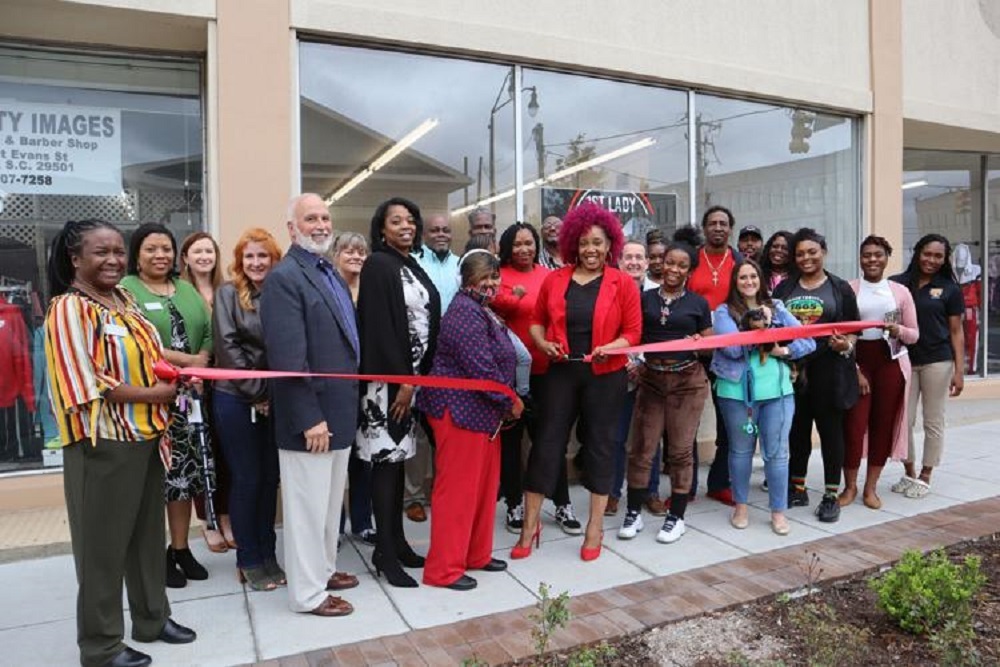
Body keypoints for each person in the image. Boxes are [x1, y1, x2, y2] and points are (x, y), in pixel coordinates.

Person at [45, 219, 195, 667]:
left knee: (147, 538)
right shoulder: (70, 309)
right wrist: (157, 393)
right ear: (75, 259)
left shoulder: (122, 300)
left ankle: (151, 617)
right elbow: (85, 382)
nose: (113, 260)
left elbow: (149, 355)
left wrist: (190, 368)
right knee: (102, 550)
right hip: (103, 444)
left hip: (147, 437)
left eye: (117, 252)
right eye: (100, 252)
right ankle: (100, 645)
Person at [512, 202, 641, 562]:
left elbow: (633, 333)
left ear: (609, 244)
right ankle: (529, 527)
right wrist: (541, 342)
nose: (591, 249)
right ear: (572, 244)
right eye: (584, 242)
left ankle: (594, 529)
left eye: (598, 242)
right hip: (559, 373)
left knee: (601, 447)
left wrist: (609, 347)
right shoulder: (555, 279)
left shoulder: (622, 283)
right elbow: (536, 321)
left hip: (605, 376)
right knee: (546, 446)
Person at [260, 193, 360, 617]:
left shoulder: (327, 271)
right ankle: (308, 594)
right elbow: (287, 359)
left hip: (339, 411)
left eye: (325, 217)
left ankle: (323, 569)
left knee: (328, 504)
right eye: (310, 218)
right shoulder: (285, 278)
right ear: (292, 228)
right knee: (306, 509)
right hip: (312, 419)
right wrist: (309, 418)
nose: (320, 224)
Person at [417, 250, 522, 590]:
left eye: (494, 278)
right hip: (458, 413)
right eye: (483, 278)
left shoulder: (482, 310)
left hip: (482, 416)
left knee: (483, 489)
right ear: (467, 281)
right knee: (457, 494)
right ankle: (443, 570)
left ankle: (476, 554)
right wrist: (510, 400)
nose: (490, 284)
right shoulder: (464, 312)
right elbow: (480, 368)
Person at [120, 223, 213, 589]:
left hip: (189, 399)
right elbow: (138, 342)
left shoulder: (186, 288)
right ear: (137, 255)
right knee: (155, 482)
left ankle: (181, 548)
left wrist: (202, 362)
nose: (160, 255)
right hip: (150, 400)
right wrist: (190, 361)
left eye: (166, 248)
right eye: (150, 249)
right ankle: (154, 553)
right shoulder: (126, 291)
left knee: (185, 478)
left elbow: (208, 330)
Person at [356, 196, 442, 588]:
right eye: (396, 221)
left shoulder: (409, 264)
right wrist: (402, 382)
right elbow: (379, 328)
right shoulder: (378, 264)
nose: (405, 226)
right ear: (382, 229)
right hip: (387, 387)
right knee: (386, 466)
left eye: (410, 219)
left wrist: (417, 378)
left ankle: (397, 543)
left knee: (399, 462)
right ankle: (385, 555)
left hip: (410, 383)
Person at [618, 229, 712, 544]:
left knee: (681, 452)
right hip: (652, 380)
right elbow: (631, 334)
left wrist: (700, 342)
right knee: (642, 449)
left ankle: (677, 517)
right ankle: (633, 513)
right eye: (669, 263)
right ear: (660, 264)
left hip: (687, 382)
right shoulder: (643, 298)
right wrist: (633, 360)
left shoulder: (699, 304)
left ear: (689, 270)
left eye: (681, 265)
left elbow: (711, 345)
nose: (673, 269)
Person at [712, 259, 815, 535]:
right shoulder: (723, 312)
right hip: (736, 394)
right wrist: (766, 332)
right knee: (741, 451)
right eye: (742, 277)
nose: (748, 282)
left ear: (761, 279)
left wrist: (782, 351)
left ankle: (778, 512)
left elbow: (808, 341)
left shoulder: (778, 308)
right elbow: (733, 349)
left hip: (778, 394)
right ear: (735, 281)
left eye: (753, 276)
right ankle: (741, 506)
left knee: (777, 454)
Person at [491, 223, 582, 535]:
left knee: (549, 440)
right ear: (506, 247)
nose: (523, 249)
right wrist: (511, 299)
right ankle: (514, 504)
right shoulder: (496, 275)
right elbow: (492, 309)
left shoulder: (549, 275)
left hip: (548, 371)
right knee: (512, 443)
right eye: (516, 244)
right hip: (508, 375)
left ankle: (561, 503)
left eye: (529, 243)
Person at [212, 227, 284, 591]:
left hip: (275, 400)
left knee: (270, 480)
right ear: (240, 262)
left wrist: (274, 396)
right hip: (236, 399)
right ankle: (249, 559)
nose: (256, 263)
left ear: (275, 260)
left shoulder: (282, 294)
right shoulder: (228, 294)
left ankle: (269, 554)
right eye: (249, 257)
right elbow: (228, 348)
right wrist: (259, 394)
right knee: (247, 479)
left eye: (263, 256)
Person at [773, 228, 860, 523]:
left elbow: (853, 329)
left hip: (830, 371)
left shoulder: (840, 288)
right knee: (797, 431)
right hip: (793, 371)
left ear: (823, 251)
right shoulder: (784, 289)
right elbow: (773, 326)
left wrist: (846, 344)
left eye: (812, 251)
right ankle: (797, 487)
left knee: (831, 433)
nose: (806, 258)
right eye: (800, 253)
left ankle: (830, 495)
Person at [842, 236, 919, 510]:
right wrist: (853, 369)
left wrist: (899, 330)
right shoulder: (849, 289)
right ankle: (849, 486)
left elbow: (914, 335)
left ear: (887, 257)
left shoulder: (900, 292)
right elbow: (843, 334)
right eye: (867, 255)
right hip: (858, 362)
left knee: (882, 427)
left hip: (890, 363)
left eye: (878, 254)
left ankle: (870, 488)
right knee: (853, 426)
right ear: (860, 258)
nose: (872, 260)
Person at [889, 234, 964, 497]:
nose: (931, 260)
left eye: (938, 256)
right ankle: (909, 473)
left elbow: (956, 331)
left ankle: (925, 475)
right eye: (927, 254)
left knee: (933, 420)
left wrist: (959, 370)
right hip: (905, 360)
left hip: (938, 362)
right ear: (917, 252)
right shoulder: (898, 284)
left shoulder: (950, 289)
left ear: (945, 260)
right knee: (903, 420)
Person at [179, 231, 235, 554]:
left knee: (226, 452)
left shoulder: (226, 289)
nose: (204, 256)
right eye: (197, 251)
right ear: (185, 257)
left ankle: (226, 517)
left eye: (209, 251)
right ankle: (208, 521)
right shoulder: (180, 292)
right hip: (194, 384)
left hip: (226, 383)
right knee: (202, 453)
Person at [687, 205, 742, 505]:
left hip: (729, 351)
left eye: (723, 223)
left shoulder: (740, 261)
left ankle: (720, 482)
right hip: (695, 348)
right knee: (688, 422)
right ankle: (687, 486)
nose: (718, 227)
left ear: (730, 228)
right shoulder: (693, 259)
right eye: (712, 223)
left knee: (728, 416)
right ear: (705, 228)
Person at [406, 214, 458, 523]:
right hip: (420, 358)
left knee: (447, 429)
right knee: (419, 431)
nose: (440, 234)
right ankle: (413, 496)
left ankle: (445, 491)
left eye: (446, 230)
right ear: (424, 233)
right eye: (435, 230)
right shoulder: (411, 264)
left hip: (453, 362)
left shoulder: (460, 265)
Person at [609, 239, 664, 517]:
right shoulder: (610, 291)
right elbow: (607, 333)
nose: (633, 262)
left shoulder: (659, 295)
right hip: (617, 375)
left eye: (638, 257)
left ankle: (649, 492)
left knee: (649, 438)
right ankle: (611, 493)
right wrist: (626, 362)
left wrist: (641, 364)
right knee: (615, 438)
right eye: (627, 257)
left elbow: (662, 336)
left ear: (646, 263)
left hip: (650, 376)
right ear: (619, 262)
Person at [331, 232, 377, 545]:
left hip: (368, 385)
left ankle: (363, 521)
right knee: (336, 462)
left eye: (361, 252)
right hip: (336, 385)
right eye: (348, 251)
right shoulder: (329, 288)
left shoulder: (371, 289)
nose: (355, 256)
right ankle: (334, 525)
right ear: (335, 254)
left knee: (364, 458)